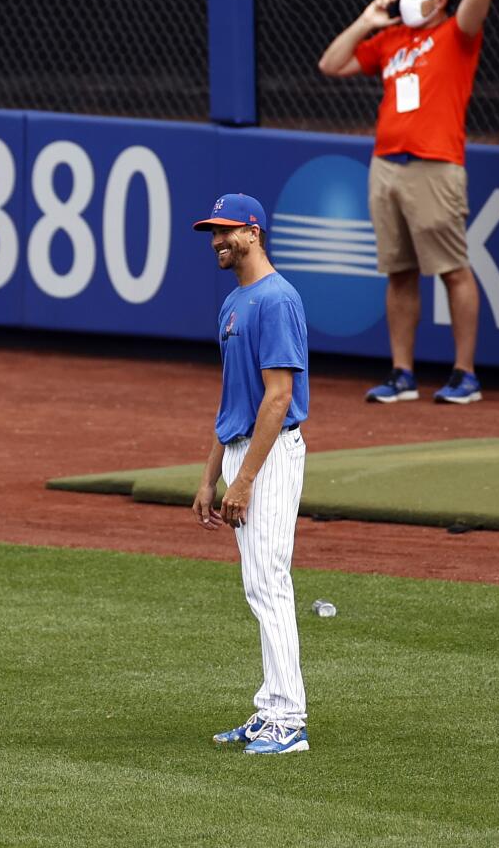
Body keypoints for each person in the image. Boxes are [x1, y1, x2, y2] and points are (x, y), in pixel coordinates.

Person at [318, 0, 493, 405]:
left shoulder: (458, 33)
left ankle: (464, 374)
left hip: (435, 164)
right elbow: (331, 65)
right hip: (386, 165)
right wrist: (366, 21)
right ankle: (402, 373)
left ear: (438, 1)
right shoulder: (392, 39)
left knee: (453, 269)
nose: (406, 3)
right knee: (398, 271)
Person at [190, 194, 311, 755]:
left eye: (226, 231)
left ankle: (289, 721)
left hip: (271, 455)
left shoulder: (277, 299)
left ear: (254, 233)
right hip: (241, 452)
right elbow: (232, 399)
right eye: (213, 232)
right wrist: (211, 476)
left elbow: (278, 397)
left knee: (269, 581)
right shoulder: (234, 302)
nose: (217, 240)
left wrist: (245, 480)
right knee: (257, 583)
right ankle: (271, 708)